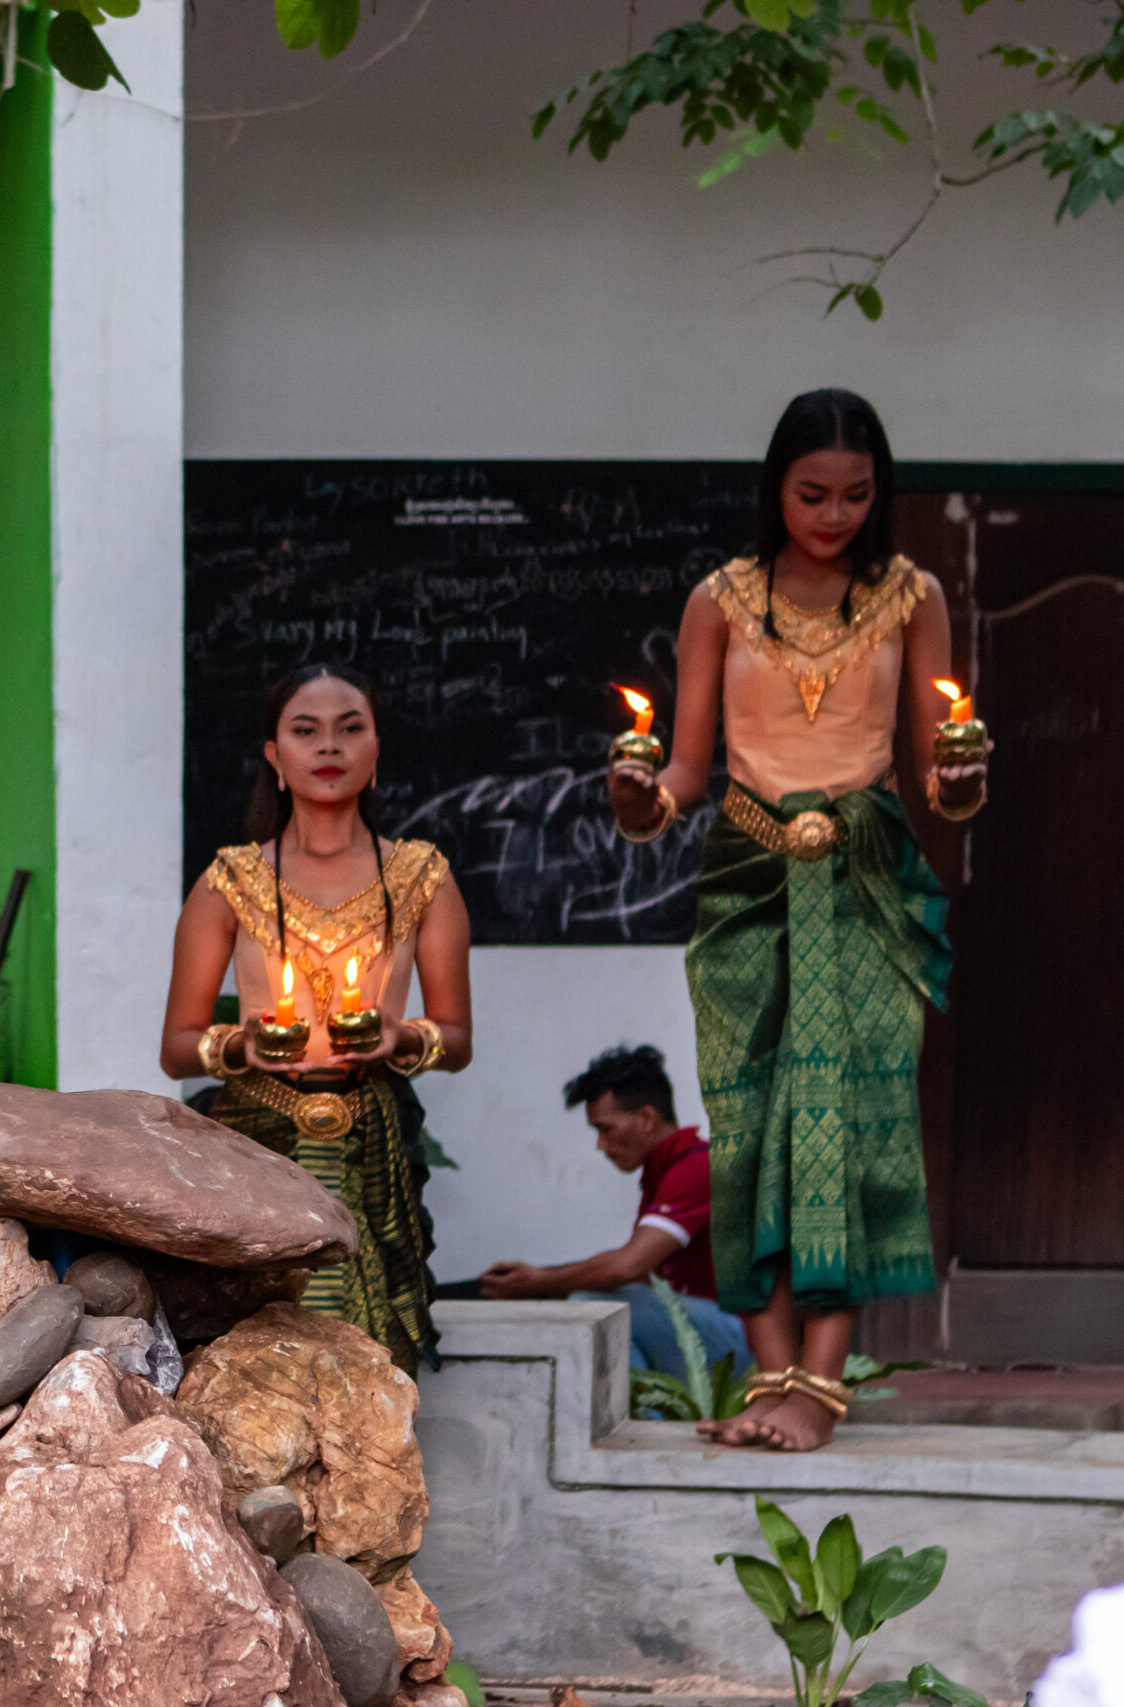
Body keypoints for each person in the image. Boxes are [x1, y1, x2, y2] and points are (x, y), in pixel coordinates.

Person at [610, 388, 983, 1451]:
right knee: (751, 1126)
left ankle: (819, 1386)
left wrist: (962, 779)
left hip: (864, 870)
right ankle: (765, 1369)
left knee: (851, 1121)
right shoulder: (718, 600)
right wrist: (644, 802)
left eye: (856, 496)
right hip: (746, 872)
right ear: (774, 487)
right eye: (812, 493)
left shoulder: (909, 596)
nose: (833, 514)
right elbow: (683, 765)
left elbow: (934, 776)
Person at [161, 663, 473, 1372]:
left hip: (373, 1134)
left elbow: (456, 1038)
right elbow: (178, 1046)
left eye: (349, 728)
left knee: (370, 1348)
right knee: (248, 1343)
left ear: (376, 748)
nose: (328, 746)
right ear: (275, 755)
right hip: (258, 1131)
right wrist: (241, 1043)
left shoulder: (421, 876)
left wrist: (401, 1037)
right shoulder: (231, 879)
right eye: (305, 731)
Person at [478, 1044, 752, 1382]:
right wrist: (537, 1281)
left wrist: (540, 1281)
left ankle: (644, 1424)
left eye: (605, 1129)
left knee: (596, 1304)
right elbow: (641, 1275)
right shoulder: (664, 1170)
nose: (600, 1146)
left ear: (647, 1118)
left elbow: (628, 1266)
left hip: (748, 1339)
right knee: (604, 1297)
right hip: (713, 1331)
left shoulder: (695, 1167)